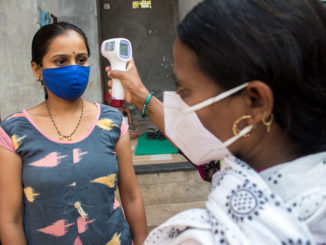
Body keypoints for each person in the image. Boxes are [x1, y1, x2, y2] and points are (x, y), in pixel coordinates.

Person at [107, 0, 326, 244]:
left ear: (254, 101)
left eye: (184, 90)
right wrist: (139, 96)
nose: (179, 103)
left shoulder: (201, 238)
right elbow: (199, 147)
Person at [0, 22, 147, 245]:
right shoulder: (14, 131)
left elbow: (131, 196)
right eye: (61, 61)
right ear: (37, 69)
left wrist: (143, 241)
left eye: (81, 59)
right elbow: (10, 219)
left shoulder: (113, 122)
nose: (74, 68)